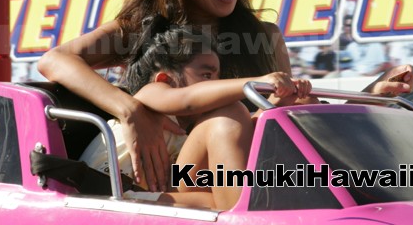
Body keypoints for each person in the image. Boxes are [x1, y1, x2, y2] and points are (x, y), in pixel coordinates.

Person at [37, 0, 413, 196]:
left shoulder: (264, 37)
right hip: (159, 192)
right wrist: (131, 110)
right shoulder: (143, 28)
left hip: (236, 190)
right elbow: (56, 60)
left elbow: (287, 123)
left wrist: (368, 98)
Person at [81, 17, 310, 209]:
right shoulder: (150, 95)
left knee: (295, 104)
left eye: (217, 78)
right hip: (112, 195)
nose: (215, 86)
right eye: (207, 76)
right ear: (165, 79)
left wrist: (278, 101)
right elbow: (187, 99)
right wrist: (259, 82)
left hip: (157, 189)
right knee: (228, 117)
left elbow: (240, 134)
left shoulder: (196, 128)